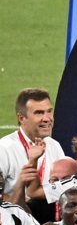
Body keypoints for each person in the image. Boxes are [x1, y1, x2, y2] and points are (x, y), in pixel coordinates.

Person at [1, 89, 64, 218]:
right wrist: (28, 204)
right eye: (39, 113)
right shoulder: (4, 148)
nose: (47, 118)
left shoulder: (54, 146)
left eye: (49, 111)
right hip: (15, 221)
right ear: (21, 118)